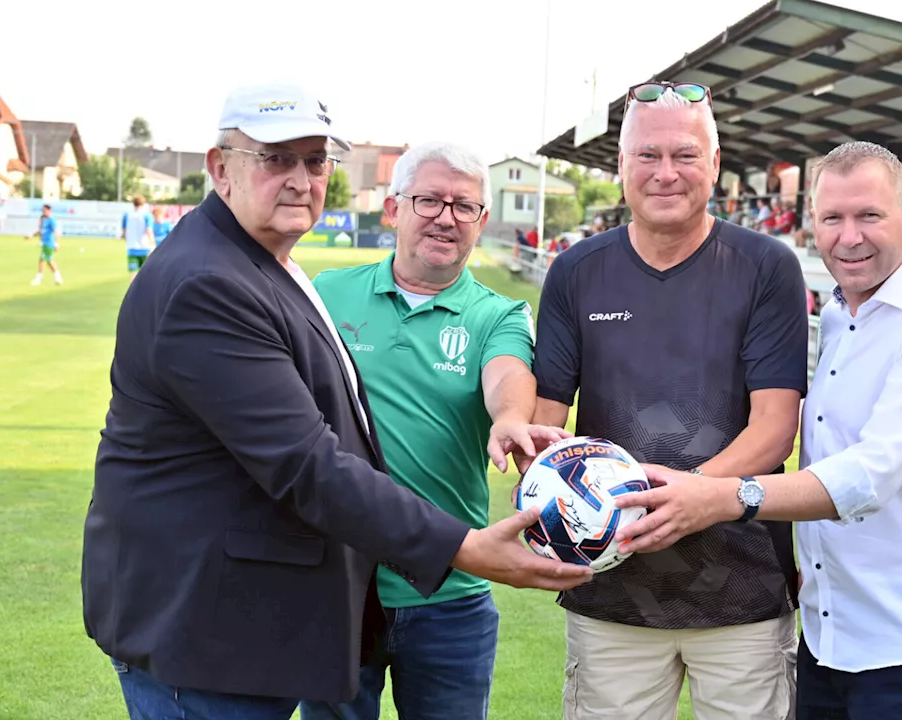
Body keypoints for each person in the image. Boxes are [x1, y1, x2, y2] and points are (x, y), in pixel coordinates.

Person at [81, 82, 591, 720]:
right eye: (275, 157)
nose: (299, 178)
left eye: (315, 161)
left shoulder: (261, 264)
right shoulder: (211, 283)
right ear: (220, 168)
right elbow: (306, 463)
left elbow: (501, 374)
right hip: (204, 632)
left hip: (246, 620)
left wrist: (510, 420)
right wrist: (465, 546)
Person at [615, 141, 902, 719]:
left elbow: (869, 476)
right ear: (812, 223)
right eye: (832, 218)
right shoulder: (839, 314)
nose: (850, 236)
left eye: (870, 215)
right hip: (827, 639)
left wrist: (724, 497)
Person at [532, 81, 807, 720]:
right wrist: (548, 483)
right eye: (647, 156)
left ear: (714, 163)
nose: (665, 173)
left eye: (685, 155)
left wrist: (691, 497)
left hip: (742, 587)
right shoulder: (576, 271)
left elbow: (775, 427)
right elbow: (547, 421)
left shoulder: (766, 267)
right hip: (612, 588)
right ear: (621, 166)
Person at [299, 141, 559, 720]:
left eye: (463, 206)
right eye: (429, 201)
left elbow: (507, 376)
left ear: (481, 222)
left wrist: (513, 419)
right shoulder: (326, 295)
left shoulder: (499, 314)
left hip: (451, 594)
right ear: (394, 209)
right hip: (336, 587)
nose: (446, 217)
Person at [120, 195, 154, 278]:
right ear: (143, 203)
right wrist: (153, 244)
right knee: (146, 274)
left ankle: (133, 291)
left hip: (132, 248)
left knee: (133, 274)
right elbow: (148, 230)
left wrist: (126, 238)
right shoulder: (147, 215)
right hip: (145, 248)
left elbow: (124, 231)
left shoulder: (127, 215)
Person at [28, 204, 63, 285]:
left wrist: (56, 243)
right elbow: (41, 231)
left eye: (44, 210)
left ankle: (38, 279)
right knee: (49, 261)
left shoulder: (51, 220)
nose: (43, 212)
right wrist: (31, 235)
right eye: (42, 210)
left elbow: (55, 232)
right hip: (45, 243)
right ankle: (58, 277)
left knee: (42, 261)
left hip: (49, 243)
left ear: (49, 210)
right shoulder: (45, 220)